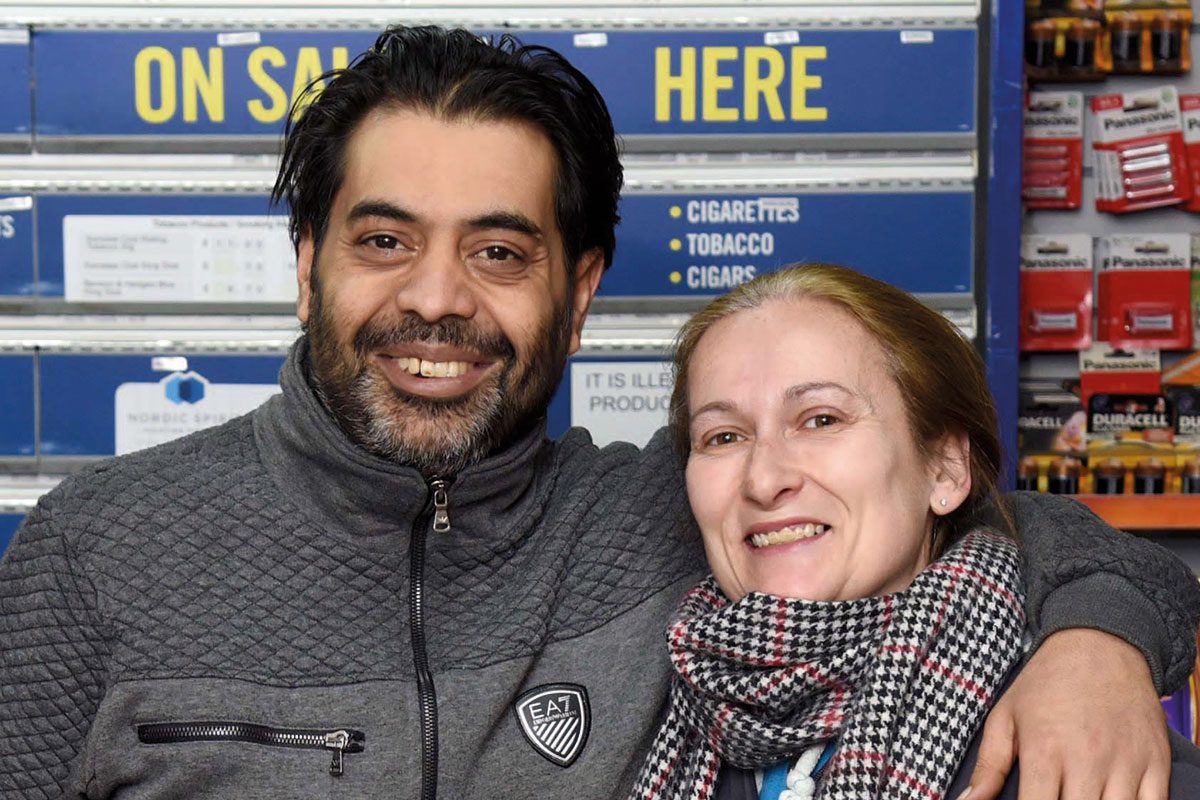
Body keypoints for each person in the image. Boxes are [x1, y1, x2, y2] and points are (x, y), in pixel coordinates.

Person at [0, 25, 1197, 800]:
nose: (434, 298)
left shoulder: (672, 514)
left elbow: (992, 526)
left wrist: (1095, 644)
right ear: (308, 260)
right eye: (383, 240)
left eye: (500, 250)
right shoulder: (95, 548)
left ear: (576, 295)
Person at [631, 263, 1200, 800]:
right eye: (723, 437)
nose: (763, 478)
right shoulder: (641, 701)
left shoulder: (1081, 749)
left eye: (822, 419)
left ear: (946, 469)